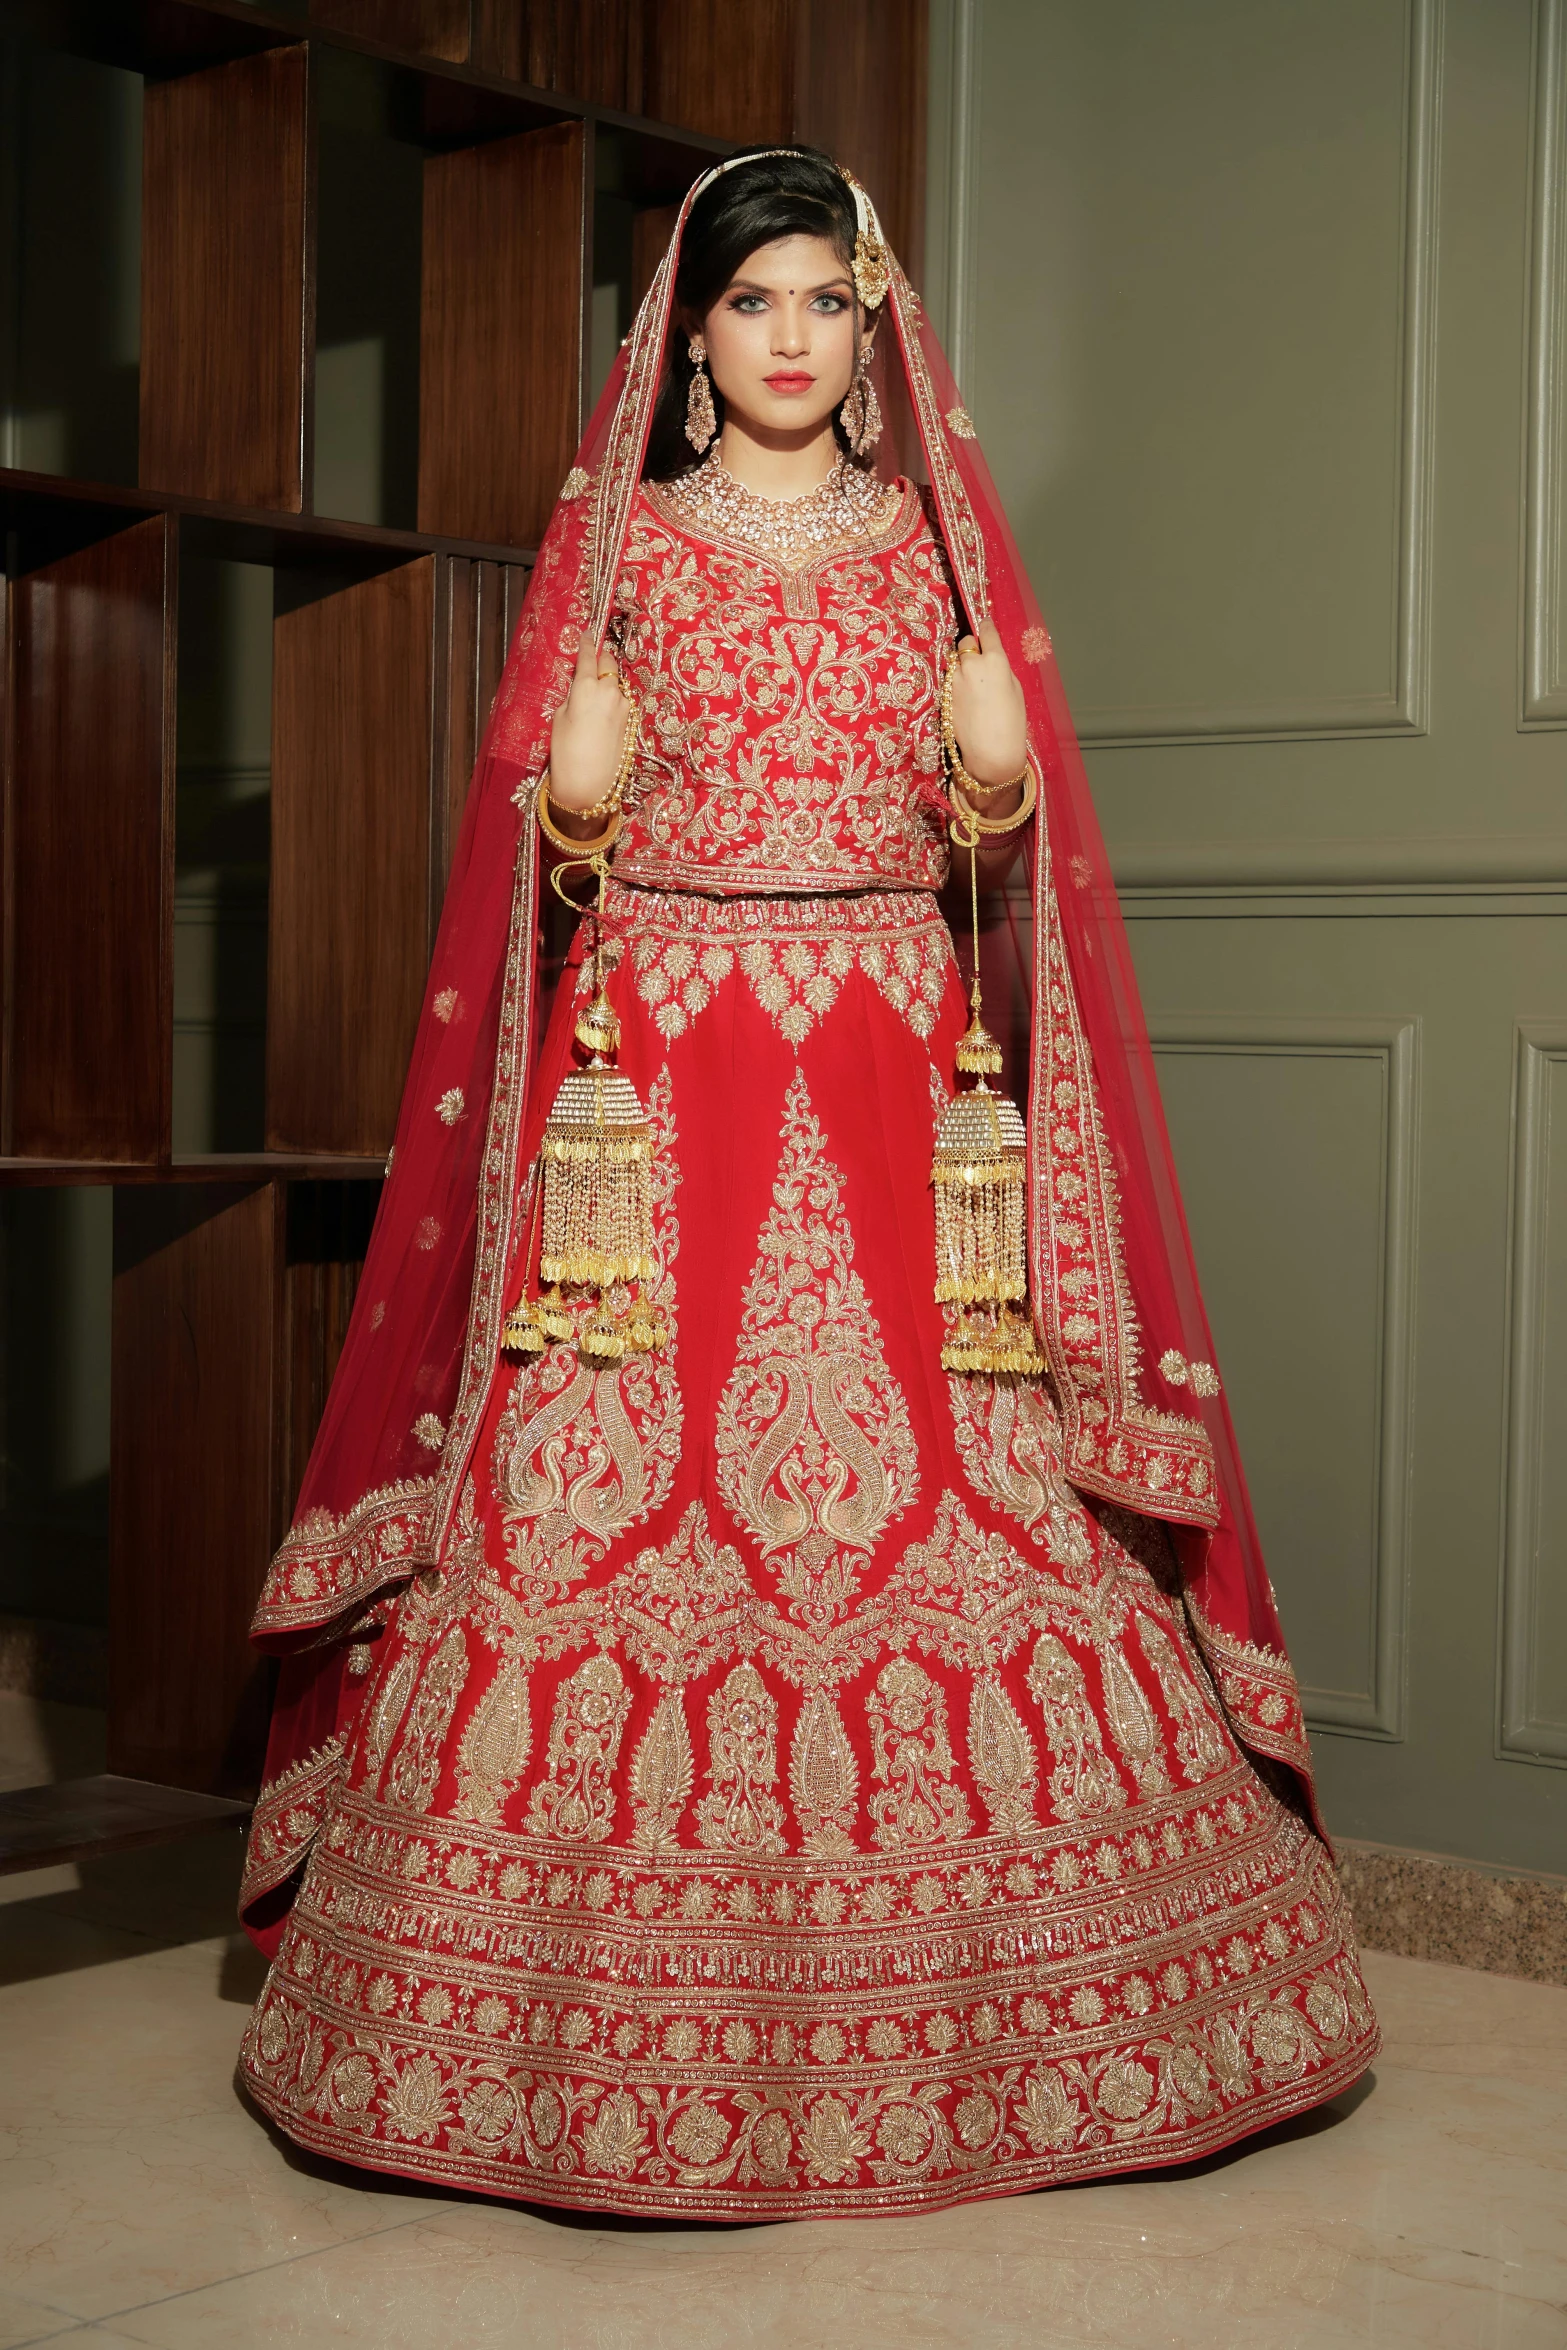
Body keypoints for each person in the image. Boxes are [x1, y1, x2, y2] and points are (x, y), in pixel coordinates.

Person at [235, 149, 1377, 2218]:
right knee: (597, 1482)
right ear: (688, 343)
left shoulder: (931, 555)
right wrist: (572, 807)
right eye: (750, 303)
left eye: (822, 306)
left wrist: (994, 776)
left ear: (870, 333)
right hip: (656, 1076)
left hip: (886, 1053)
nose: (786, 338)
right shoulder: (632, 551)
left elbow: (997, 841)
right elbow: (546, 853)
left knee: (965, 1480)